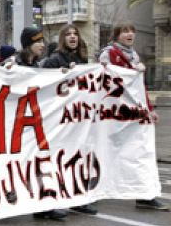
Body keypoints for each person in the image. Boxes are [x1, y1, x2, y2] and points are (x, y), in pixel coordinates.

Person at [99, 22, 168, 211]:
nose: (129, 34)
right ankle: (94, 188)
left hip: (135, 114)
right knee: (108, 151)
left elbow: (139, 87)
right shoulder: (109, 54)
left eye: (132, 31)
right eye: (124, 32)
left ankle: (144, 195)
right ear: (117, 35)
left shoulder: (135, 56)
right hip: (115, 116)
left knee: (141, 152)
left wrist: (149, 108)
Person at [41, 24, 97, 215]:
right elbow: (44, 88)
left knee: (78, 159)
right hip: (58, 121)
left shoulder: (82, 60)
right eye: (69, 34)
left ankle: (78, 198)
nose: (73, 37)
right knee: (57, 160)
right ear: (62, 39)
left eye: (76, 34)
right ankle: (50, 201)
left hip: (77, 120)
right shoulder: (53, 61)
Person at [13, 27, 67, 220]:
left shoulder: (40, 66)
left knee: (41, 160)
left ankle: (44, 204)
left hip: (34, 123)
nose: (43, 45)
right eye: (38, 42)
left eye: (43, 41)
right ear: (28, 44)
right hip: (16, 125)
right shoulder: (13, 64)